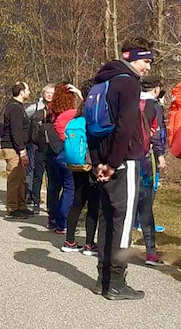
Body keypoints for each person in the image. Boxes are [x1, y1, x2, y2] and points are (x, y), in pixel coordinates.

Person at [88, 37, 155, 301]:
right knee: (124, 222)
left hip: (103, 161)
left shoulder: (101, 82)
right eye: (145, 61)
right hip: (123, 163)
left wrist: (97, 162)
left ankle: (102, 279)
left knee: (107, 219)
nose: (148, 68)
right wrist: (114, 164)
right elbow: (126, 127)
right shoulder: (128, 84)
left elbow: (90, 126)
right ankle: (116, 282)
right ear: (131, 58)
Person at [61, 79, 100, 256]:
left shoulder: (77, 117)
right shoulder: (95, 115)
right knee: (93, 204)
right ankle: (90, 244)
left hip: (76, 165)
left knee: (77, 202)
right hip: (91, 164)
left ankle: (69, 241)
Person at [135, 75, 166, 267]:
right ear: (156, 89)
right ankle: (150, 252)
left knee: (125, 204)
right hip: (145, 159)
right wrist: (160, 155)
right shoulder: (154, 106)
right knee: (145, 205)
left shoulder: (129, 100)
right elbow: (157, 133)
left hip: (124, 160)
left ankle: (116, 249)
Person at [49, 82, 80, 233]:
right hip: (70, 154)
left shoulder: (54, 114)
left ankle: (55, 219)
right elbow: (89, 109)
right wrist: (80, 93)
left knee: (59, 188)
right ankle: (62, 223)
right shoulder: (73, 113)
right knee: (70, 189)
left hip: (57, 155)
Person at [1, 82, 33, 220]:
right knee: (14, 178)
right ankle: (12, 208)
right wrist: (22, 151)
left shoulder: (18, 107)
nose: (29, 92)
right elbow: (16, 132)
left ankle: (21, 206)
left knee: (21, 178)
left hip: (17, 147)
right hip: (12, 148)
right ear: (21, 92)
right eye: (28, 89)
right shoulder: (14, 108)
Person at [25, 83, 55, 213]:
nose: (50, 95)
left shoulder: (58, 108)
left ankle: (51, 205)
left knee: (52, 178)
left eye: (52, 93)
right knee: (37, 175)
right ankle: (35, 201)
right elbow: (24, 117)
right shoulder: (35, 107)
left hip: (53, 146)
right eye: (47, 93)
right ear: (43, 94)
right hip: (38, 146)